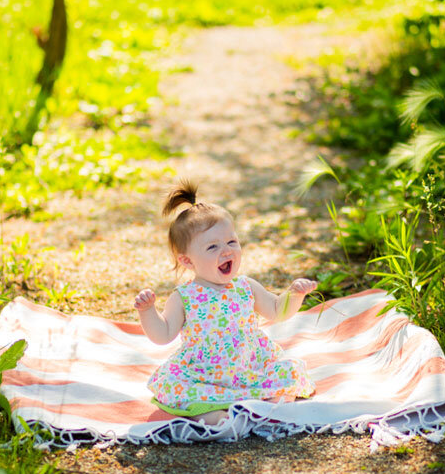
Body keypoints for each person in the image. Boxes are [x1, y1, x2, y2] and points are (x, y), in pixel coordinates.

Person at [134, 180, 316, 425]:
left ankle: (268, 407)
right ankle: (213, 415)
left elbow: (275, 310)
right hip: (204, 376)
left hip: (250, 368)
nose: (227, 251)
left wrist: (294, 295)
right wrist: (147, 312)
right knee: (182, 390)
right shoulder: (185, 297)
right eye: (213, 247)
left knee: (287, 372)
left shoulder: (245, 287)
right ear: (187, 261)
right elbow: (163, 334)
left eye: (232, 242)